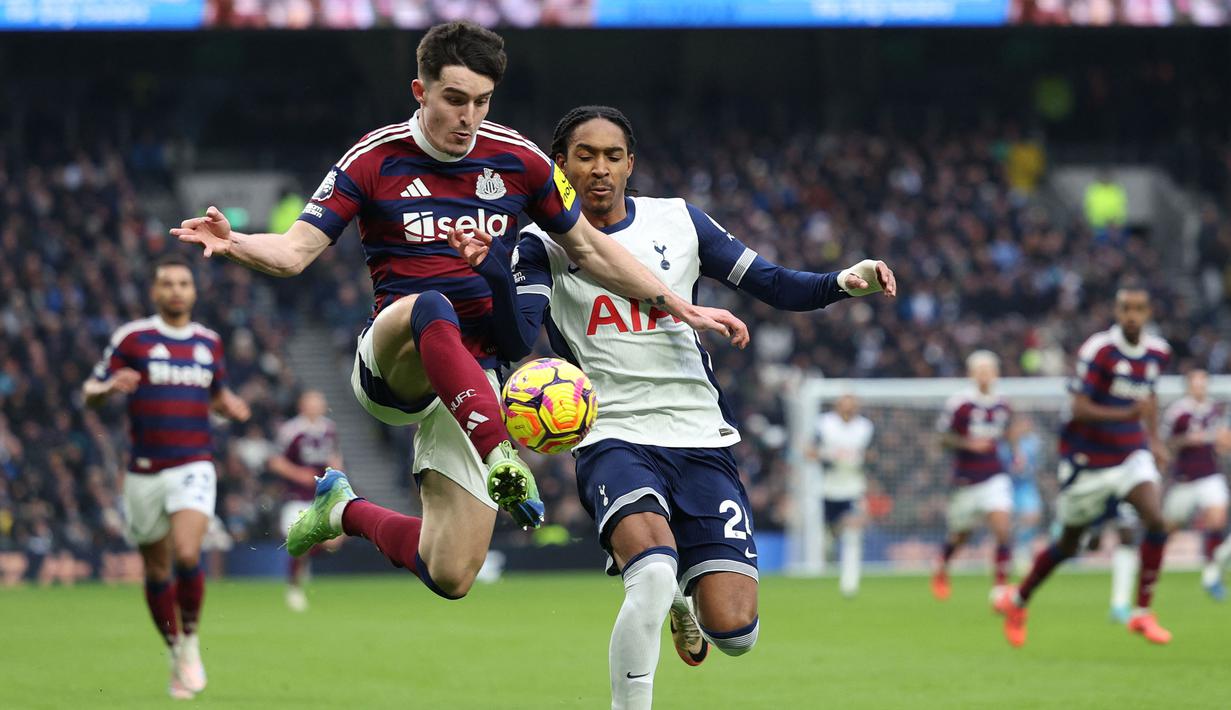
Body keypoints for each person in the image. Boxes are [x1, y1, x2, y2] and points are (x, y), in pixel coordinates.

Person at [171, 22, 745, 603]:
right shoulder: (374, 158)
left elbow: (592, 250)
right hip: (394, 360)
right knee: (431, 305)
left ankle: (343, 509)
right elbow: (295, 253)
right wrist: (235, 242)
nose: (468, 116)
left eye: (481, 101)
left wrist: (676, 303)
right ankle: (501, 453)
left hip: (472, 381)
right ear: (420, 92)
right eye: (454, 99)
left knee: (451, 573)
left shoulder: (520, 161)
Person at [449, 105, 896, 710]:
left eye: (613, 156)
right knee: (653, 572)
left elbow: (771, 283)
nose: (600, 169)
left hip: (699, 435)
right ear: (560, 165)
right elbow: (516, 338)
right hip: (612, 434)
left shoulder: (679, 221)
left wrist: (844, 281)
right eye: (585, 156)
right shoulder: (540, 242)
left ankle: (682, 602)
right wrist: (493, 273)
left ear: (631, 164)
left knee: (735, 633)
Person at [82, 254, 251, 699]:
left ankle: (191, 641)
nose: (175, 290)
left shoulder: (209, 343)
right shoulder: (133, 338)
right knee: (156, 569)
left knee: (186, 552)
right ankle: (175, 648)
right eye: (167, 284)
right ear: (155, 292)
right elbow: (90, 391)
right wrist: (107, 387)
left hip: (194, 462)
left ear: (193, 292)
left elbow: (215, 395)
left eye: (183, 283)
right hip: (142, 472)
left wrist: (228, 405)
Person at [995, 283, 1173, 647]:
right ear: (1117, 311)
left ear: (1148, 313)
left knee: (1155, 519)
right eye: (1126, 308)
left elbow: (1149, 397)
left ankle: (1141, 612)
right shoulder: (1100, 350)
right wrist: (1127, 413)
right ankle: (1020, 599)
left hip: (1130, 454)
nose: (1132, 316)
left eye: (1139, 309)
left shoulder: (1158, 352)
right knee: (1068, 545)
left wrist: (1153, 440)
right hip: (1086, 461)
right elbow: (1079, 408)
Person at [932, 351, 1016, 602]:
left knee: (1002, 529)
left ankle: (1000, 587)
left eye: (988, 370)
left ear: (996, 373)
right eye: (979, 371)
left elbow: (1008, 430)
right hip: (966, 478)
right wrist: (969, 444)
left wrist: (1017, 451)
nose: (984, 376)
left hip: (995, 475)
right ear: (971, 374)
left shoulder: (1003, 403)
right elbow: (942, 438)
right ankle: (942, 566)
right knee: (961, 535)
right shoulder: (960, 404)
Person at [267, 390, 344, 611]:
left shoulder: (329, 429)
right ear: (302, 405)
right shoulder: (291, 430)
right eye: (312, 402)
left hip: (322, 496)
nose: (316, 406)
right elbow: (275, 461)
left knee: (333, 542)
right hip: (296, 496)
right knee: (299, 541)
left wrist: (337, 476)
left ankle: (305, 564)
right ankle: (294, 588)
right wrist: (299, 474)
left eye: (320, 402)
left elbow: (335, 457)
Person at [1161, 369, 1231, 600]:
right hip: (1185, 479)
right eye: (1196, 384)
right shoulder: (1177, 412)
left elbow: (1222, 442)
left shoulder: (1215, 411)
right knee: (1169, 527)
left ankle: (1211, 575)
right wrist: (1185, 441)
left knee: (1217, 518)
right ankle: (1150, 564)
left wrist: (1224, 443)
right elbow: (1165, 444)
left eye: (1203, 384)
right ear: (1188, 387)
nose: (1200, 388)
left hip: (1210, 475)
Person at [815, 393, 875, 598]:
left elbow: (873, 455)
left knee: (853, 535)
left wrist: (863, 460)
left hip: (853, 487)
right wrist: (827, 457)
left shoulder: (865, 428)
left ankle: (849, 583)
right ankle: (827, 558)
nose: (848, 409)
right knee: (830, 536)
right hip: (828, 488)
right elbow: (809, 450)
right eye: (844, 405)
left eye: (852, 405)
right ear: (837, 406)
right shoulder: (824, 424)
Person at [1003, 415, 1043, 574]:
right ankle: (1006, 553)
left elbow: (1027, 465)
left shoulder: (1031, 444)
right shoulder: (1002, 446)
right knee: (1004, 523)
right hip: (1006, 486)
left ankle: (1021, 550)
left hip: (1025, 486)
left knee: (1032, 516)